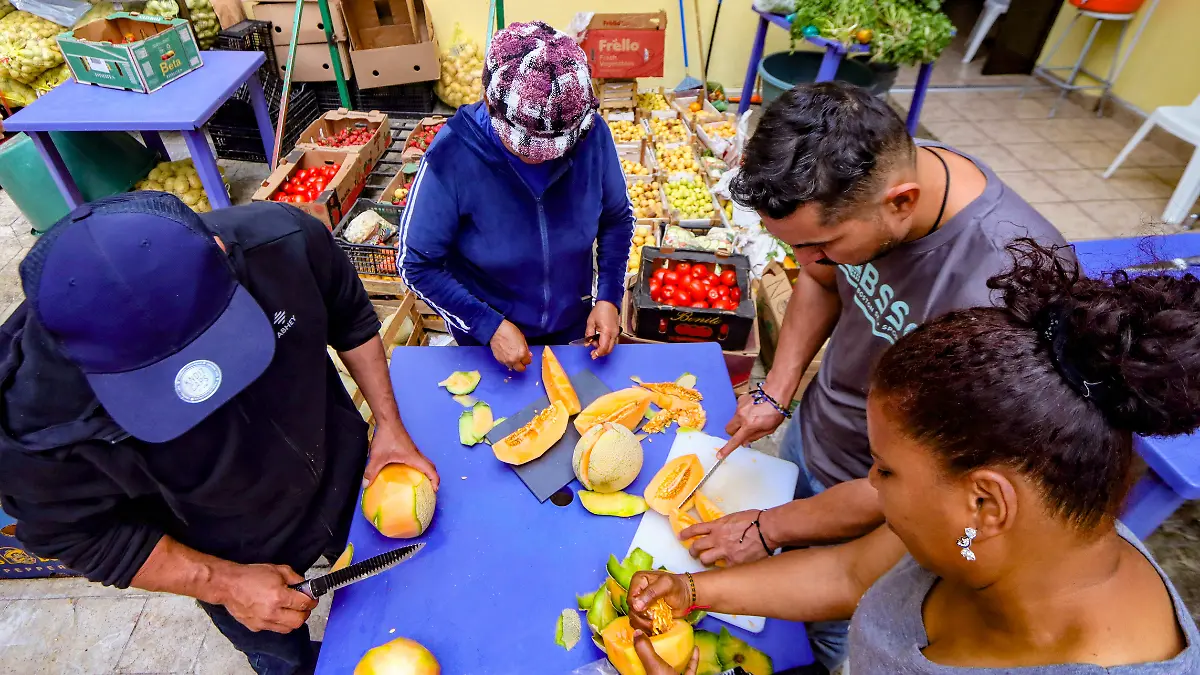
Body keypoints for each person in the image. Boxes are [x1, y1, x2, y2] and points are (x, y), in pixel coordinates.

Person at [627, 241, 1200, 675]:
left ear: (986, 502)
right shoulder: (996, 531)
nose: (870, 484)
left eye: (886, 469)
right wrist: (692, 591)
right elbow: (849, 573)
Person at [688, 82, 1067, 669]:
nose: (806, 261)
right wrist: (777, 392)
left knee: (827, 633)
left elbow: (926, 487)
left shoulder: (1005, 285)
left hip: (888, 503)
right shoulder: (863, 191)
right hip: (817, 437)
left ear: (901, 202)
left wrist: (770, 529)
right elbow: (819, 283)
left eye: (823, 245)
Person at [0, 193, 438, 675]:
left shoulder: (280, 241)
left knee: (388, 605)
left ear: (220, 250)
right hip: (228, 545)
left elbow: (349, 314)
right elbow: (79, 535)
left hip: (341, 467)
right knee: (281, 655)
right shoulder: (36, 424)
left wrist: (389, 424)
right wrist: (223, 582)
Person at [399, 21, 634, 371]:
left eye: (558, 147)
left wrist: (609, 296)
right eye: (528, 147)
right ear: (490, 105)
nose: (545, 158)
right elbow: (416, 263)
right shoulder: (452, 156)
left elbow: (616, 217)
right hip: (486, 341)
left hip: (573, 329)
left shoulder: (591, 135)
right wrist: (486, 325)